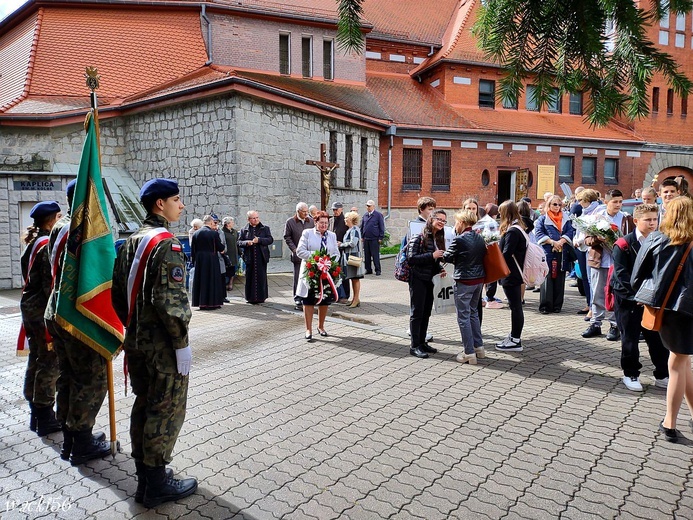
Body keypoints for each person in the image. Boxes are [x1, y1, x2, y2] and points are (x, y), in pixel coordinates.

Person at [111, 178, 197, 507]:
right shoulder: (166, 243)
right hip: (162, 347)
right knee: (165, 411)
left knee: (144, 406)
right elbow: (171, 303)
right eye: (177, 199)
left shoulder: (131, 240)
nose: (182, 205)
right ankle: (157, 482)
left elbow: (117, 294)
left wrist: (132, 326)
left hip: (136, 340)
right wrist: (182, 344)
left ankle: (145, 479)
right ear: (159, 204)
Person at [45, 180, 109, 464]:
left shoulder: (60, 225)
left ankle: (71, 437)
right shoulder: (82, 229)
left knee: (68, 377)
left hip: (57, 310)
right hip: (78, 317)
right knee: (91, 379)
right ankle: (82, 441)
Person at [632, 196, 693, 443]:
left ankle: (670, 422)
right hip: (688, 309)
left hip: (667, 310)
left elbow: (637, 277)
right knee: (683, 360)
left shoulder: (657, 239)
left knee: (677, 363)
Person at [611, 203, 669, 392]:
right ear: (636, 221)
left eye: (655, 219)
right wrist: (637, 296)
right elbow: (621, 274)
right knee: (630, 337)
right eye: (648, 220)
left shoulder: (660, 241)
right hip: (628, 300)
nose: (653, 223)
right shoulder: (623, 244)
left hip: (652, 299)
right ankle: (630, 373)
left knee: (657, 338)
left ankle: (662, 374)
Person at [20, 201, 62, 437]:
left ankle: (36, 413)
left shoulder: (35, 242)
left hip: (31, 310)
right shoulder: (46, 245)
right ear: (51, 220)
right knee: (49, 362)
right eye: (59, 216)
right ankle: (45, 415)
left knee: (36, 359)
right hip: (41, 312)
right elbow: (50, 286)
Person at [582, 189, 634, 340]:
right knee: (597, 293)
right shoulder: (596, 218)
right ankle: (595, 324)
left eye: (620, 202)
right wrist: (598, 238)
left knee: (615, 294)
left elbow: (632, 239)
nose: (618, 205)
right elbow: (587, 241)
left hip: (618, 264)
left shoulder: (626, 218)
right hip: (600, 261)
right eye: (614, 202)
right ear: (606, 202)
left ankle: (614, 325)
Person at [442, 209, 487, 365]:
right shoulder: (480, 237)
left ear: (461, 222)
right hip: (479, 280)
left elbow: (446, 256)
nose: (455, 225)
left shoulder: (459, 239)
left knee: (463, 316)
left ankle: (469, 353)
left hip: (465, 280)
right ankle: (479, 348)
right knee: (473, 312)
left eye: (456, 222)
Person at [407, 209, 447, 359]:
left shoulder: (437, 238)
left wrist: (440, 268)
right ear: (431, 219)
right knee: (417, 313)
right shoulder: (419, 236)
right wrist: (432, 255)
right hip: (417, 279)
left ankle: (422, 342)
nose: (442, 223)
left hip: (430, 280)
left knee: (426, 312)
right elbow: (411, 259)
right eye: (439, 219)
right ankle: (414, 345)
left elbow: (434, 260)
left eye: (444, 221)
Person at [295, 211, 339, 340]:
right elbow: (300, 251)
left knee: (324, 299)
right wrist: (317, 257)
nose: (324, 225)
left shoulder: (332, 235)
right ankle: (308, 329)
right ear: (316, 222)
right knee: (308, 300)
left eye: (326, 223)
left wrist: (329, 261)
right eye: (321, 223)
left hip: (326, 273)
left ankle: (321, 326)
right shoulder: (307, 233)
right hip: (311, 271)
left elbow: (336, 253)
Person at [534, 195, 575, 314]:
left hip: (562, 252)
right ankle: (546, 306)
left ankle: (557, 305)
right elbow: (539, 233)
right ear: (549, 205)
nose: (557, 207)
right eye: (554, 204)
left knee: (560, 278)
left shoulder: (566, 218)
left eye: (559, 204)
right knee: (547, 277)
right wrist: (552, 242)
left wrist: (562, 241)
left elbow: (570, 231)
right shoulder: (542, 219)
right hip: (548, 252)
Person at [496, 200, 527, 352]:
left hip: (511, 274)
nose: (499, 215)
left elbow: (506, 254)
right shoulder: (517, 228)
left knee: (515, 307)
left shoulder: (513, 231)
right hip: (514, 272)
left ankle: (515, 340)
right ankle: (514, 337)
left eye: (501, 212)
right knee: (515, 306)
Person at [573, 189, 601, 317]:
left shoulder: (597, 211)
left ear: (587, 200)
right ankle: (589, 304)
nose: (579, 203)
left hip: (590, 247)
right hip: (581, 247)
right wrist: (575, 239)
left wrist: (579, 240)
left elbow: (590, 231)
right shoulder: (584, 211)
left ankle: (594, 308)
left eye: (581, 200)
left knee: (592, 279)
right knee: (586, 277)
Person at [238, 210, 274, 304]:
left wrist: (260, 240)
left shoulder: (265, 228)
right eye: (253, 218)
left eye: (257, 217)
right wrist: (247, 243)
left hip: (261, 256)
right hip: (250, 257)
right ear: (249, 219)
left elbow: (270, 239)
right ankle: (250, 298)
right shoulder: (244, 230)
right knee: (250, 277)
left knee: (261, 277)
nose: (256, 219)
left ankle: (261, 297)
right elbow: (239, 242)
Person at [284, 202, 314, 310]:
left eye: (307, 212)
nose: (306, 214)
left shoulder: (310, 221)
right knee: (298, 277)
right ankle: (297, 298)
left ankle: (308, 296)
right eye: (304, 212)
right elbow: (287, 237)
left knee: (309, 276)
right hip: (297, 255)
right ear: (298, 212)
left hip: (309, 254)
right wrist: (294, 249)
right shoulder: (290, 222)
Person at [191, 215, 225, 310]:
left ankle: (201, 303)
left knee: (201, 281)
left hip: (200, 259)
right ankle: (212, 303)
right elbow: (220, 247)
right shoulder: (213, 233)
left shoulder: (196, 233)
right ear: (211, 223)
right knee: (212, 280)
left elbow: (193, 249)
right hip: (211, 259)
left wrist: (194, 261)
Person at [478, 203, 503, 307]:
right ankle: (490, 298)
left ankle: (485, 296)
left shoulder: (481, 221)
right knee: (492, 276)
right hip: (490, 250)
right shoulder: (492, 222)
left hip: (480, 251)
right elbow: (494, 239)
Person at [339, 211, 365, 308]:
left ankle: (356, 299)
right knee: (353, 279)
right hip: (350, 257)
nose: (345, 220)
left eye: (346, 218)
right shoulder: (350, 230)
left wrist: (341, 245)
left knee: (355, 278)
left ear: (351, 220)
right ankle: (355, 299)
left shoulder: (354, 229)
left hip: (354, 257)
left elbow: (353, 243)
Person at [330, 202, 350, 303]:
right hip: (333, 251)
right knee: (334, 273)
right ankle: (336, 293)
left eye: (336, 209)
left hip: (343, 250)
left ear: (341, 209)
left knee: (344, 274)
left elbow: (350, 237)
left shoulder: (345, 220)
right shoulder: (331, 220)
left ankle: (346, 295)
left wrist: (342, 243)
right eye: (333, 210)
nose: (335, 211)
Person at [361, 199, 385, 276]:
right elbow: (362, 226)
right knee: (367, 256)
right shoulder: (365, 215)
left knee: (375, 255)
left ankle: (378, 270)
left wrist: (380, 237)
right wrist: (362, 236)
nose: (368, 207)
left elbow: (381, 227)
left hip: (375, 239)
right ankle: (368, 269)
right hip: (366, 238)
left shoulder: (378, 215)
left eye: (369, 206)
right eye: (367, 206)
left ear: (373, 206)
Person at [221, 217, 239, 291]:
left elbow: (237, 241)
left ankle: (230, 283)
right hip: (226, 253)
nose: (233, 223)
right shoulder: (222, 232)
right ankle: (224, 283)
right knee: (224, 269)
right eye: (232, 222)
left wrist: (240, 252)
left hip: (233, 253)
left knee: (232, 269)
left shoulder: (234, 232)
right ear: (227, 224)